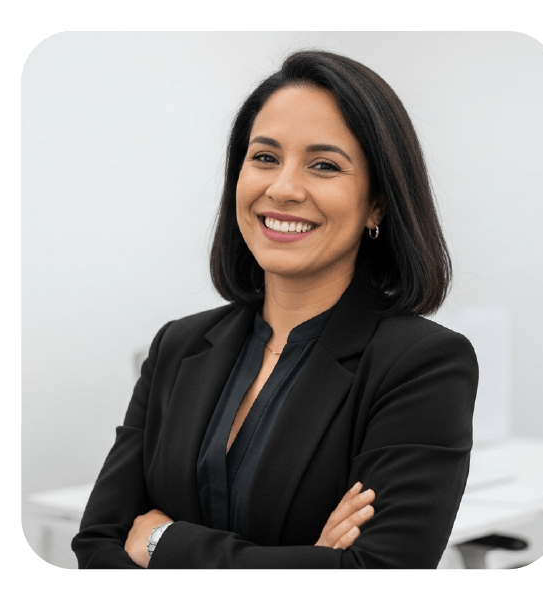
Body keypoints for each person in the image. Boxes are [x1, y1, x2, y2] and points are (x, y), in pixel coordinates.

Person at [72, 50, 478, 570]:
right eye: (264, 157)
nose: (282, 189)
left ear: (376, 203)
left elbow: (378, 573)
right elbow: (96, 547)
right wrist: (308, 563)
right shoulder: (177, 346)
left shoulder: (423, 364)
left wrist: (162, 543)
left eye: (324, 165)